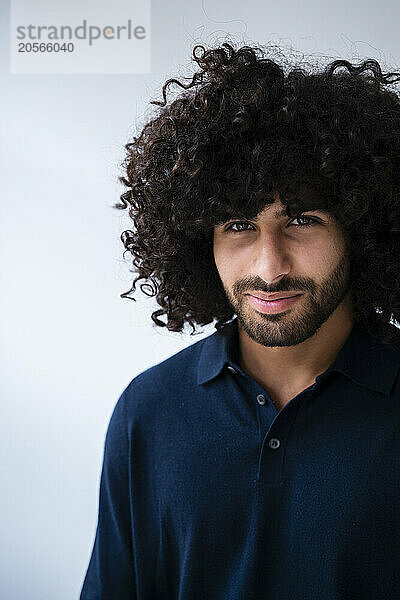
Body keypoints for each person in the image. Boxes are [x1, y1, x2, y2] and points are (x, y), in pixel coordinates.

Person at [80, 41, 400, 599]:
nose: (269, 267)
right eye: (237, 225)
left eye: (301, 220)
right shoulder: (148, 412)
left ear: (364, 227)